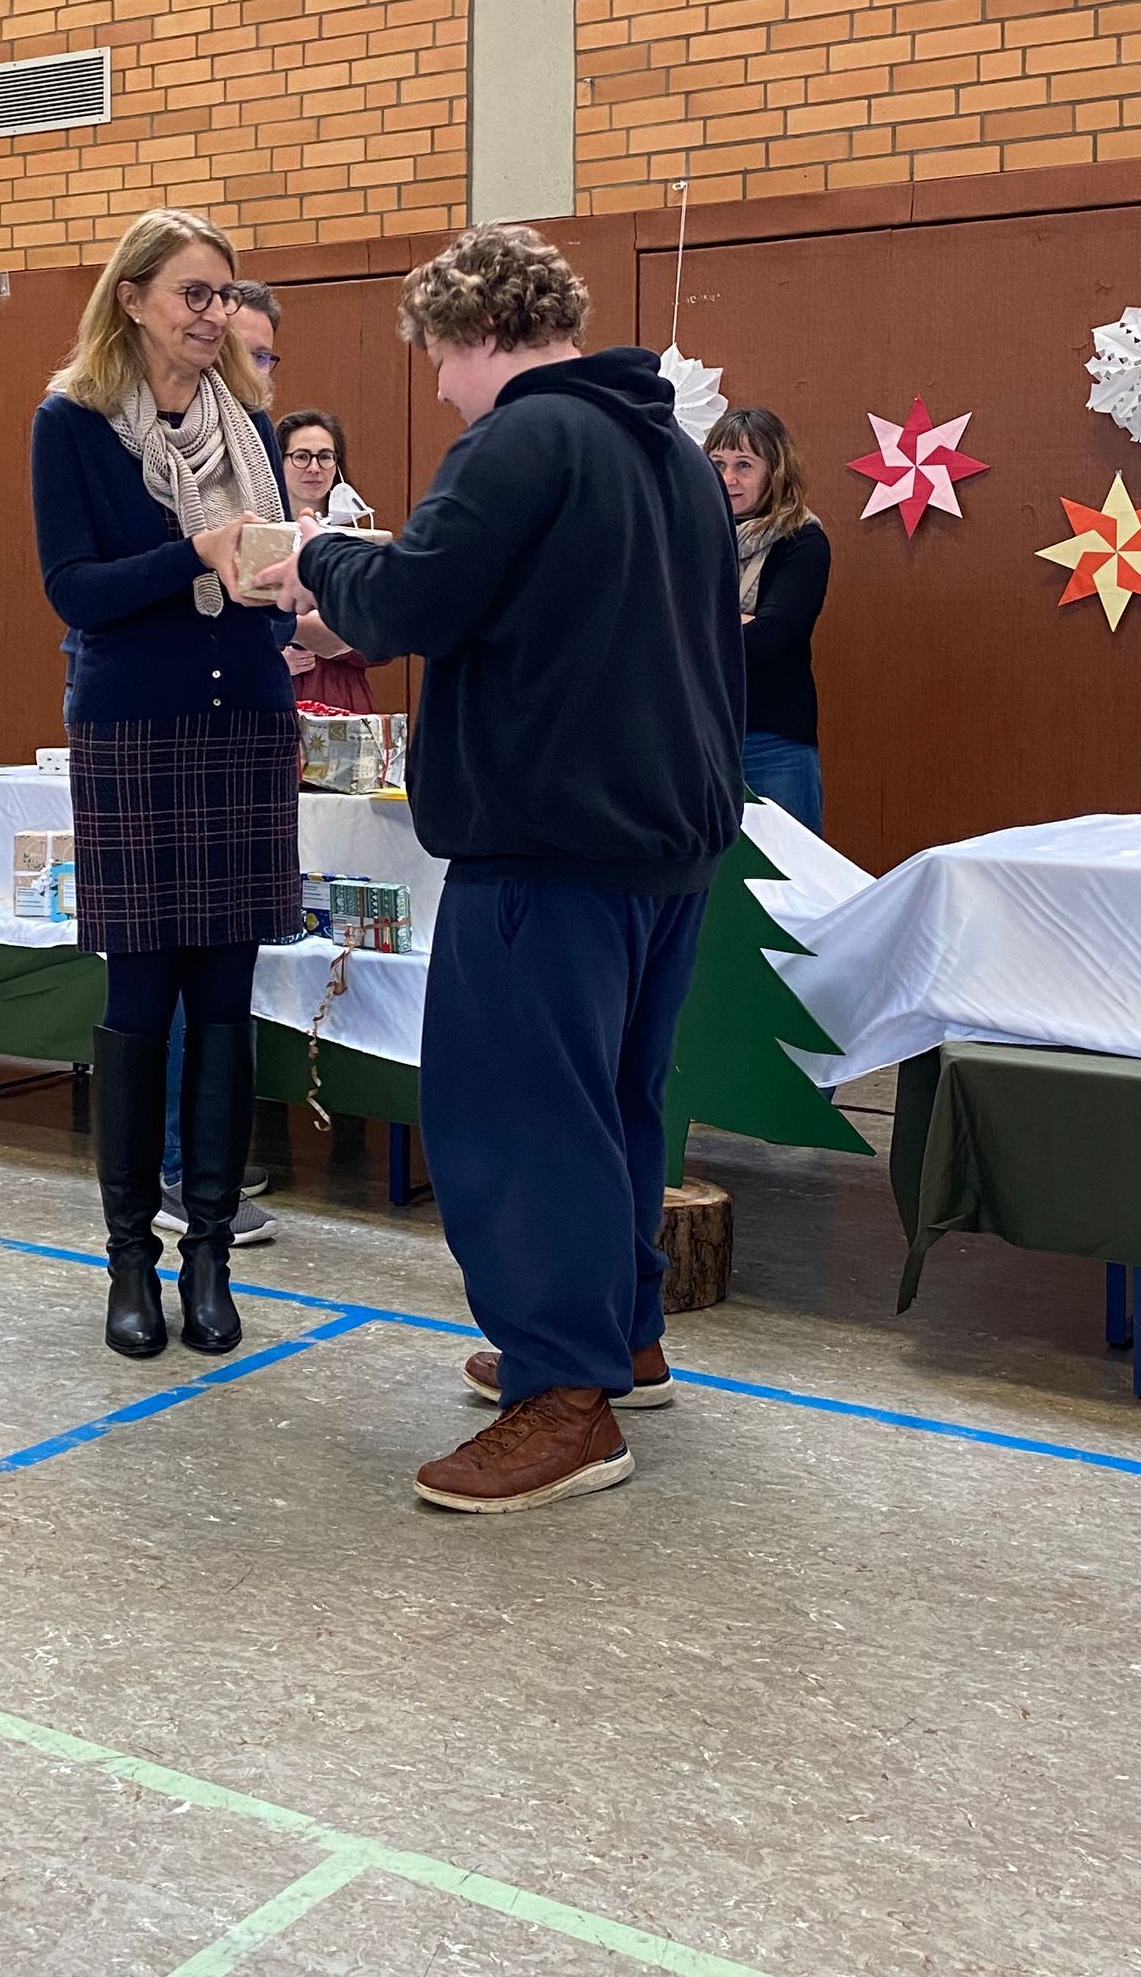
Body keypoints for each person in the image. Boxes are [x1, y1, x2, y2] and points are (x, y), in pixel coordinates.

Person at [261, 224, 744, 1515]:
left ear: (478, 331)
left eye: (437, 356)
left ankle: (564, 1398)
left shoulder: (523, 439)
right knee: (615, 1104)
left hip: (551, 837)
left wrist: (313, 554)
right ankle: (619, 1338)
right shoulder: (673, 452)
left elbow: (411, 601)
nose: (437, 387)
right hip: (666, 838)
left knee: (521, 1120)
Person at [31, 208, 301, 1361]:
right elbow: (73, 590)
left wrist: (286, 576)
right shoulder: (73, 422)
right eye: (195, 292)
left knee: (228, 1001)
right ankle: (131, 1260)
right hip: (134, 732)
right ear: (132, 297)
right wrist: (193, 554)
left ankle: (212, 1257)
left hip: (245, 725)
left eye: (224, 294)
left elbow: (264, 571)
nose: (214, 313)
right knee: (140, 1001)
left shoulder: (250, 421)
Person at [155, 273, 283, 1249]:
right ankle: (172, 1170)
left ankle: (213, 1169)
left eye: (269, 354)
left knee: (228, 977)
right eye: (247, 349)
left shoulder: (257, 444)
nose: (255, 367)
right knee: (166, 968)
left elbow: (265, 603)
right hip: (159, 728)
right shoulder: (127, 440)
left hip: (245, 722)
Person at [704, 408, 830, 835]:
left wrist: (696, 629)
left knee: (789, 872)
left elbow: (769, 637)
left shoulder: (802, 540)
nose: (728, 479)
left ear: (775, 472)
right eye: (717, 464)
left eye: (744, 465)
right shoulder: (688, 537)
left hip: (773, 743)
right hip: (697, 739)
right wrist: (736, 621)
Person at [274, 408, 377, 712]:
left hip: (341, 693)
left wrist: (337, 634)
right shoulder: (255, 536)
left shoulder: (362, 537)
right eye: (301, 456)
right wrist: (272, 657)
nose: (314, 468)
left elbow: (385, 636)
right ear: (278, 462)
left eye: (325, 457)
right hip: (274, 690)